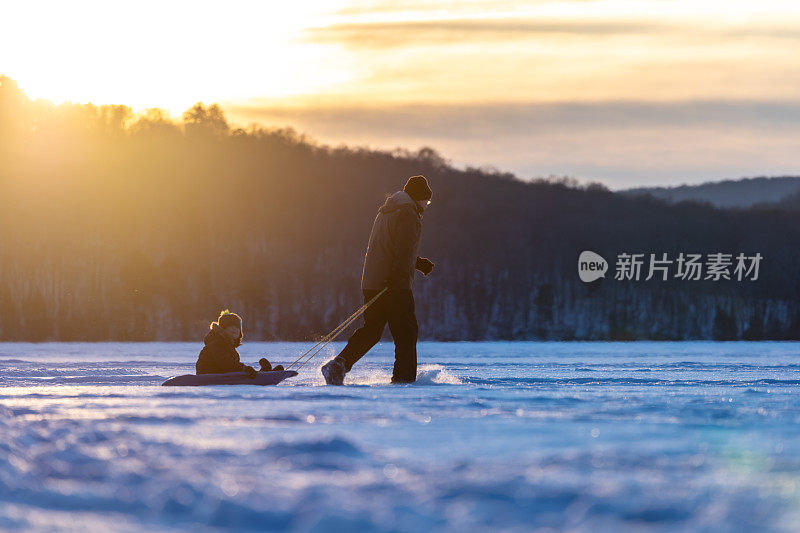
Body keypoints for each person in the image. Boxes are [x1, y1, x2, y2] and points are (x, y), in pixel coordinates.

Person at [321, 175, 435, 385]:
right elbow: (402, 250)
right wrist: (398, 278)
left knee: (372, 330)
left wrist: (417, 263)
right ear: (418, 198)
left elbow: (390, 248)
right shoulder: (409, 213)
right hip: (393, 285)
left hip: (374, 281)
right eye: (426, 202)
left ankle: (338, 365)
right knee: (406, 332)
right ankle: (404, 379)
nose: (426, 207)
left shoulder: (388, 210)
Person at [196, 310, 263, 376]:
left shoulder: (228, 345)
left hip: (222, 374)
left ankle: (264, 372)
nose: (234, 329)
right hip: (210, 376)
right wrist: (244, 368)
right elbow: (226, 363)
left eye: (237, 327)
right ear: (223, 329)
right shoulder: (217, 343)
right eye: (230, 326)